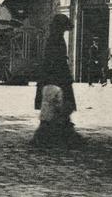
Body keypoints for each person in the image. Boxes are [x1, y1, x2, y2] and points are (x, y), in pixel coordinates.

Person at [32, 14, 82, 148]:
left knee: (56, 108)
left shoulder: (55, 38)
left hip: (54, 76)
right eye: (64, 28)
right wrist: (63, 77)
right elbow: (55, 61)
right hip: (56, 77)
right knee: (58, 106)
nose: (64, 30)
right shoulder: (55, 40)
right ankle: (51, 137)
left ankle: (55, 136)